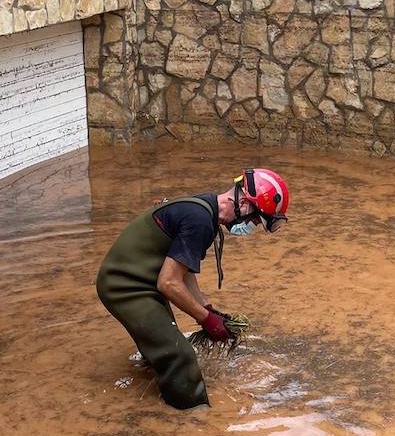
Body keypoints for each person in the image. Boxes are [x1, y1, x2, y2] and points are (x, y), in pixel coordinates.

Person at [96, 168, 290, 410]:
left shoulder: (204, 210)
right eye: (253, 220)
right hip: (124, 286)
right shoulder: (199, 220)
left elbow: (183, 274)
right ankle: (193, 419)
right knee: (180, 356)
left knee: (162, 345)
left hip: (140, 282)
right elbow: (168, 283)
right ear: (242, 202)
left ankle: (152, 393)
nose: (250, 227)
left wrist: (209, 310)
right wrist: (206, 320)